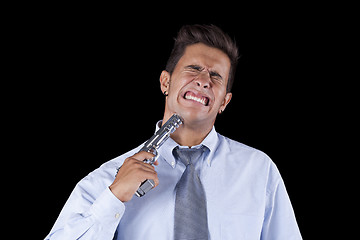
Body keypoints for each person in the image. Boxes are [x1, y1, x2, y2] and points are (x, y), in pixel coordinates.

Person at [45, 24, 302, 240]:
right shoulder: (110, 177)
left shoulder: (259, 170)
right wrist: (114, 197)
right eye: (193, 69)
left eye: (216, 76)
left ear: (225, 101)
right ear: (165, 82)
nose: (204, 80)